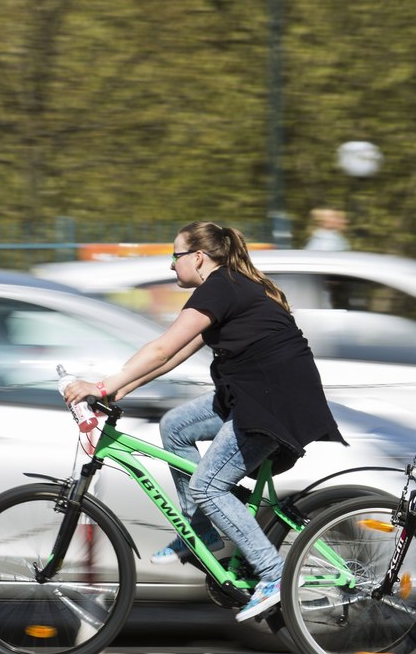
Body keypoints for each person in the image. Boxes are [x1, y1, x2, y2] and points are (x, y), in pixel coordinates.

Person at [62, 221, 344, 622]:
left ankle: (273, 574)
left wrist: (102, 385)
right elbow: (175, 352)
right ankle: (203, 530)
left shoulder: (221, 286)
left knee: (209, 486)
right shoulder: (225, 287)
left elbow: (161, 348)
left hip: (272, 404)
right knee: (176, 426)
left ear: (198, 257)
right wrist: (123, 388)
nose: (171, 265)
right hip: (254, 395)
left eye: (175, 256)